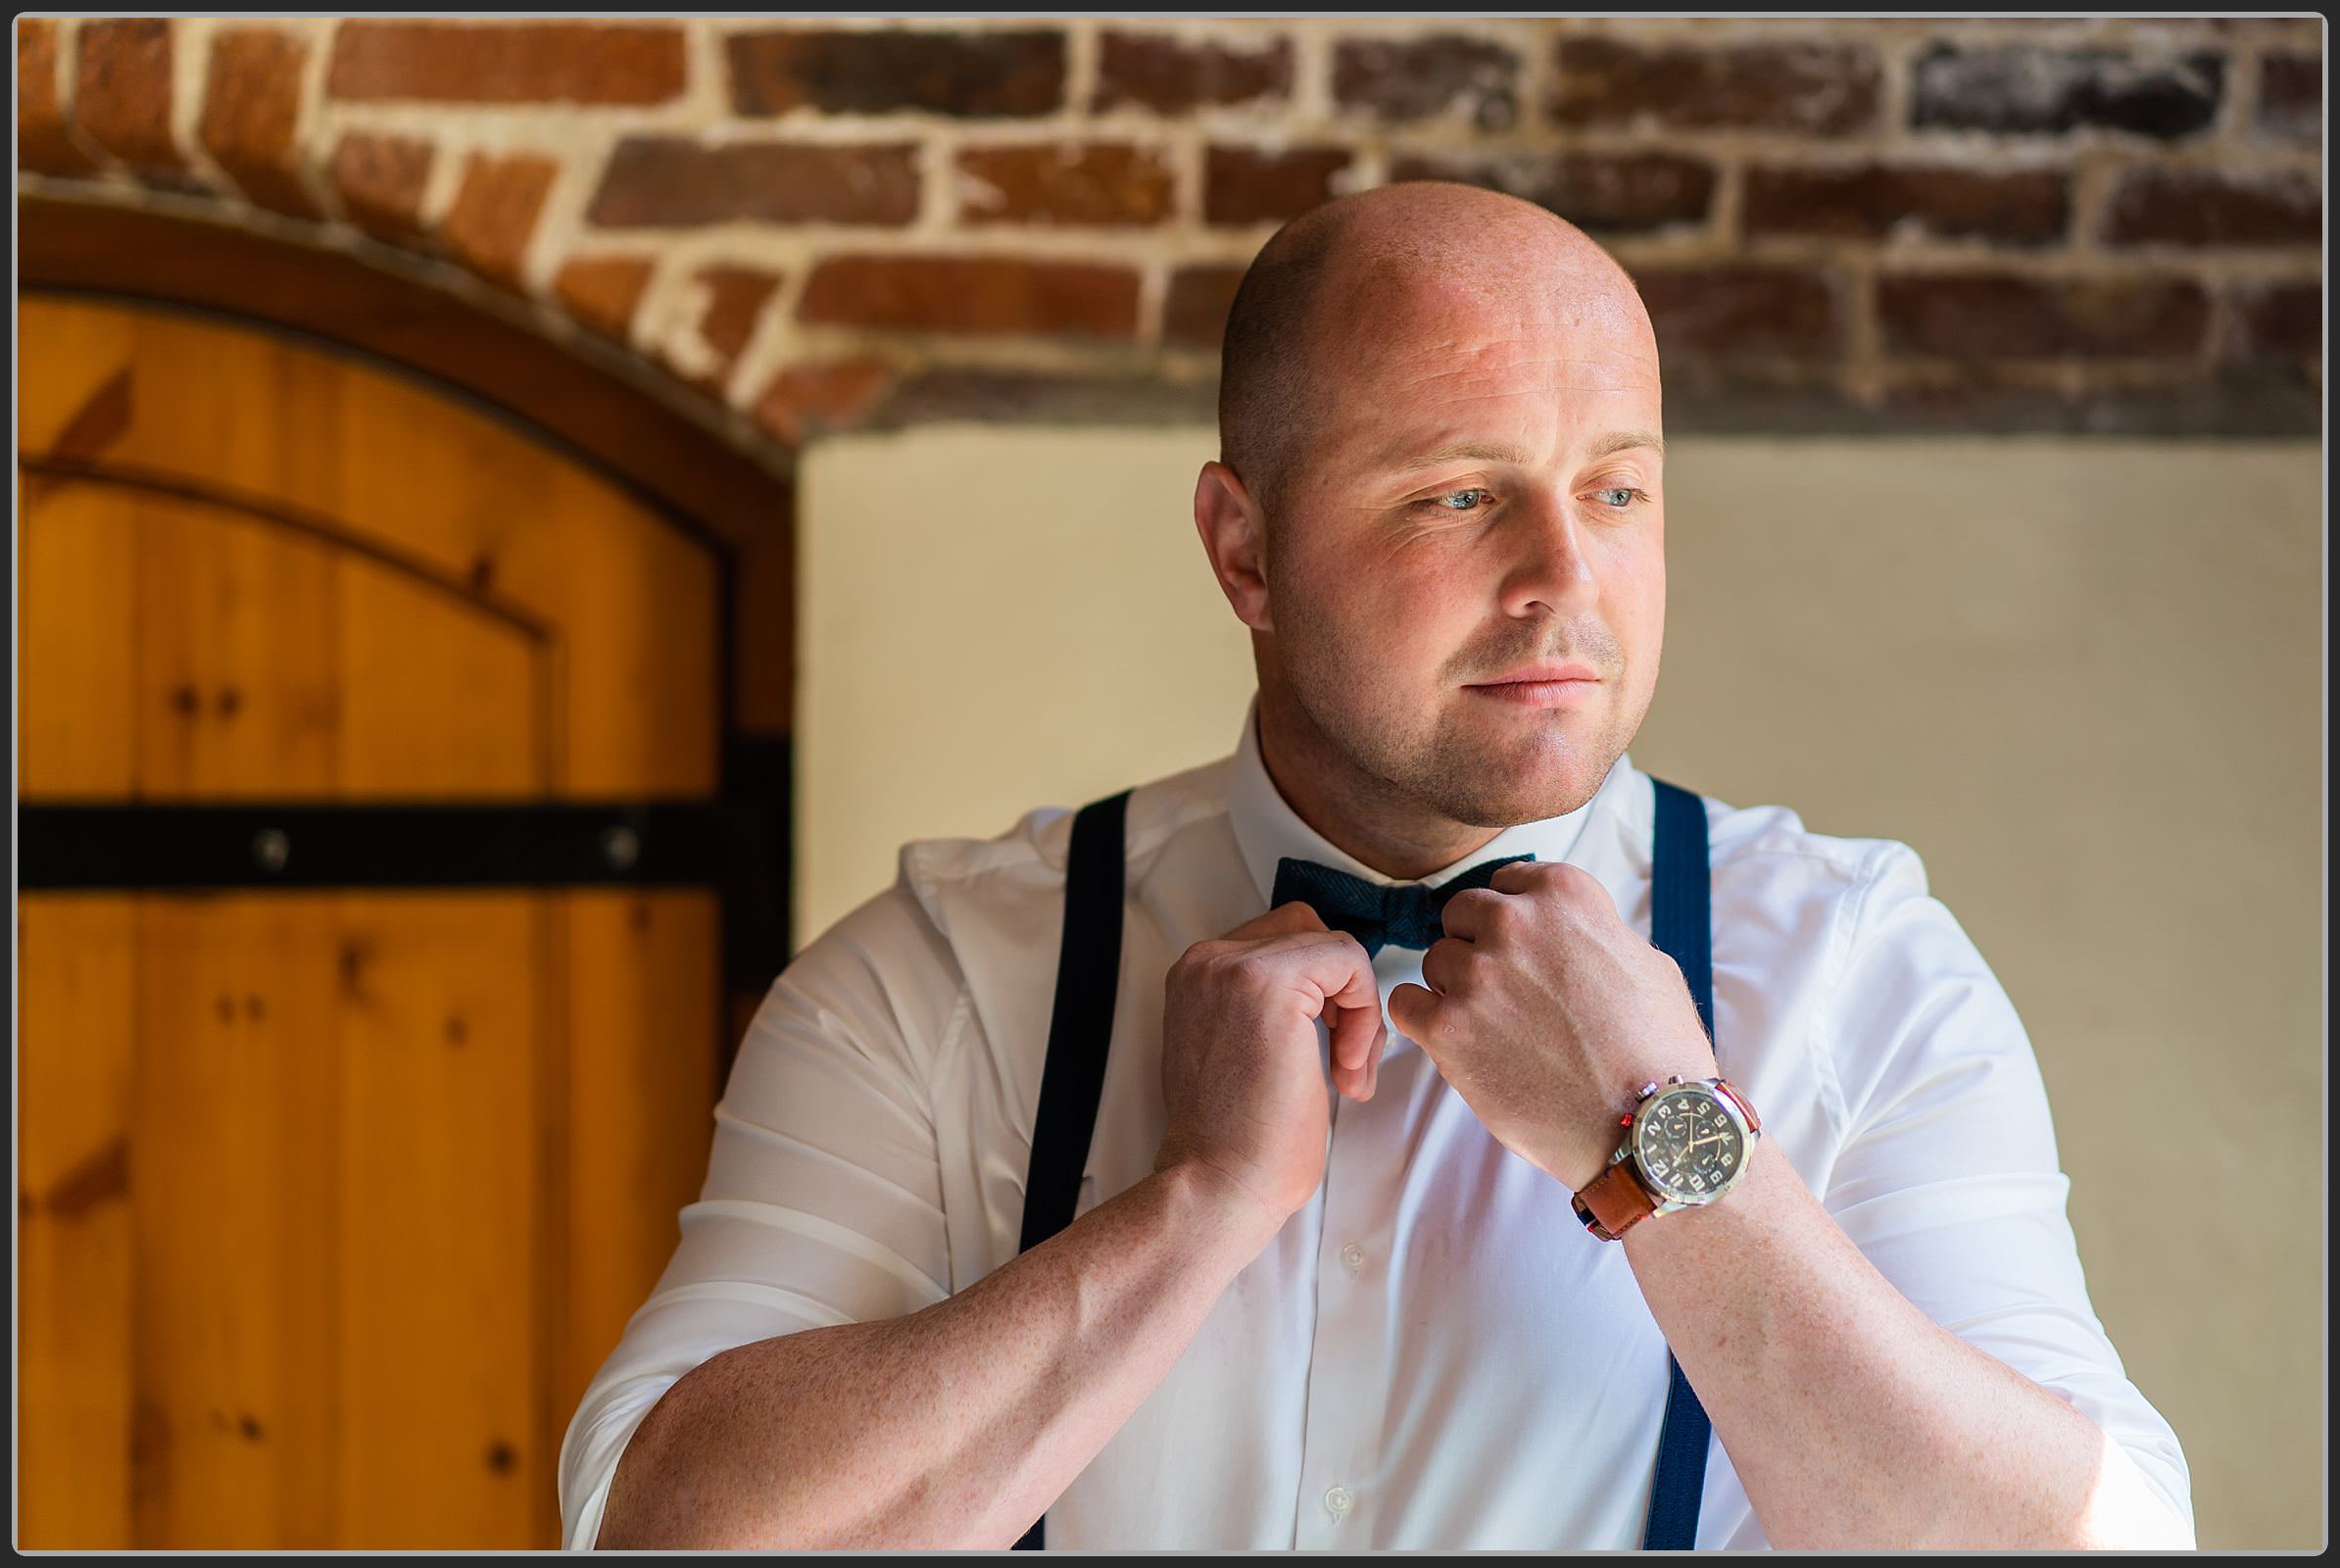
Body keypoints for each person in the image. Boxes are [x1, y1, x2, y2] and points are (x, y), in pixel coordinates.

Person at [556, 181, 2194, 1550]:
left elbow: (2103, 1543)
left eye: (1617, 487)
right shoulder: (940, 977)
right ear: (1244, 549)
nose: (1570, 580)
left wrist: (1670, 1151)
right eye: (1459, 494)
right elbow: (663, 1531)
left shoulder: (1860, 967)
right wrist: (1189, 1212)